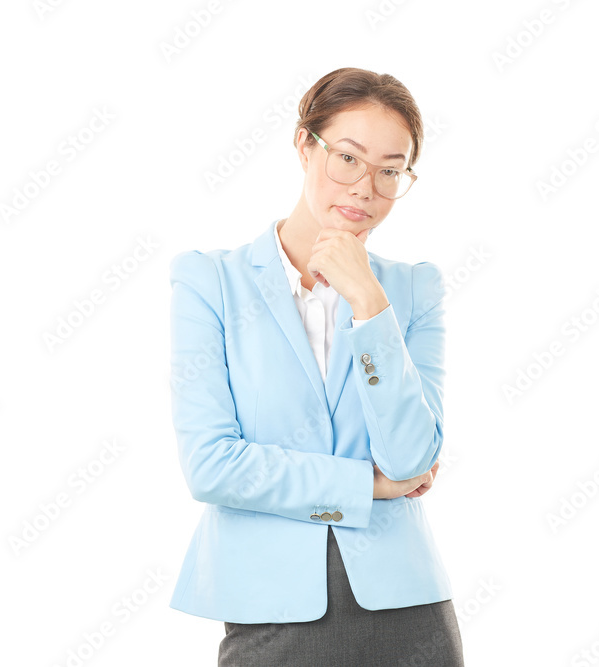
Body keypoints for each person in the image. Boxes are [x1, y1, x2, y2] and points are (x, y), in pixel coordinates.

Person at [168, 67, 464, 666]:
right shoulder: (209, 282)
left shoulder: (412, 290)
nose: (365, 188)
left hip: (409, 619)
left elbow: (412, 458)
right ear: (305, 146)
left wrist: (370, 306)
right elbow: (212, 466)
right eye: (348, 158)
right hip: (273, 616)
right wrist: (367, 487)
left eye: (390, 170)